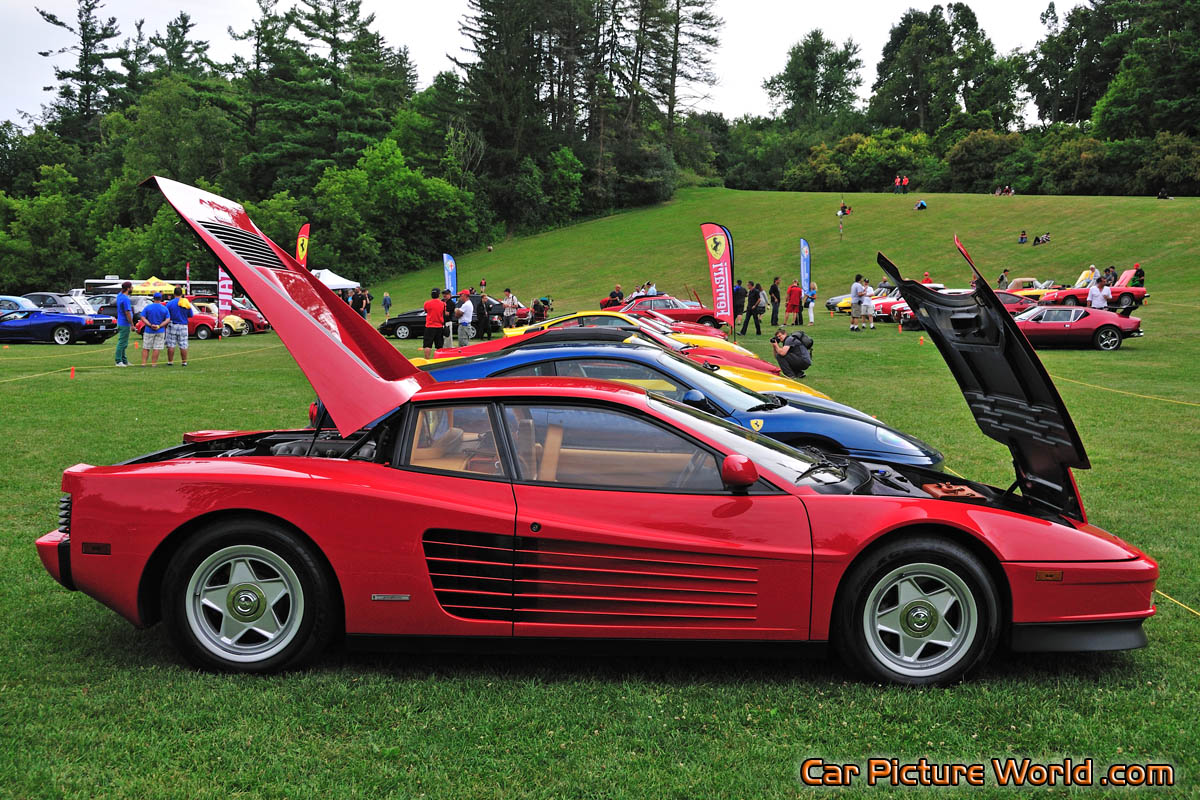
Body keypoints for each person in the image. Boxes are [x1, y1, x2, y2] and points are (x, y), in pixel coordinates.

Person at [140, 292, 170, 366]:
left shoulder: (148, 307)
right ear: (161, 299)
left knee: (146, 347)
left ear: (153, 298)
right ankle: (154, 363)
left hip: (148, 330)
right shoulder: (164, 308)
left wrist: (149, 325)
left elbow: (142, 317)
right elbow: (167, 319)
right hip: (160, 330)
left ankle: (143, 363)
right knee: (156, 348)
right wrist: (159, 326)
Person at [165, 287, 193, 366]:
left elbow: (166, 315)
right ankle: (184, 362)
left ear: (174, 294)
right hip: (183, 325)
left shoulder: (169, 303)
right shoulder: (186, 302)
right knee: (183, 344)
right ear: (182, 294)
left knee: (171, 344)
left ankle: (170, 361)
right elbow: (190, 315)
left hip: (172, 325)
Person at [113, 280, 134, 367]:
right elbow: (127, 312)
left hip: (120, 322)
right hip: (124, 323)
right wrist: (132, 324)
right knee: (122, 343)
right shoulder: (125, 299)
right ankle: (118, 361)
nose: (132, 288)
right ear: (128, 288)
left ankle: (124, 360)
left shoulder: (120, 295)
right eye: (131, 287)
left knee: (124, 342)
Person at [422, 288, 446, 358]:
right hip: (439, 326)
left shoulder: (427, 303)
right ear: (438, 295)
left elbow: (426, 311)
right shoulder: (443, 304)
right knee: (439, 345)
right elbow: (443, 313)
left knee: (427, 345)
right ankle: (438, 360)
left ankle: (427, 359)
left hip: (429, 326)